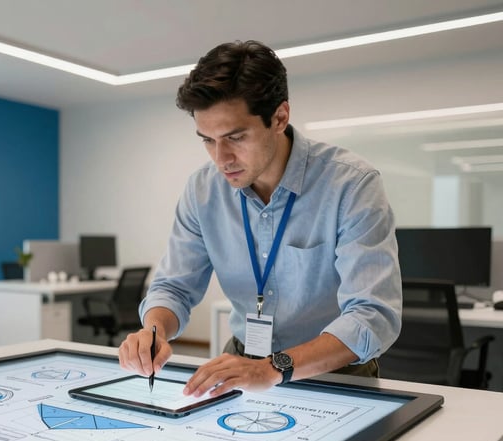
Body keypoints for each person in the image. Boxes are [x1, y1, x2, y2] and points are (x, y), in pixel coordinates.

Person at [118, 40, 402, 397]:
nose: (221, 159)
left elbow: (373, 317)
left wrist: (273, 368)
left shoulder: (351, 184)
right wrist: (153, 331)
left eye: (235, 137)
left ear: (279, 117)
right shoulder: (202, 190)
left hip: (336, 372)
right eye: (207, 140)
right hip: (243, 362)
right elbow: (175, 286)